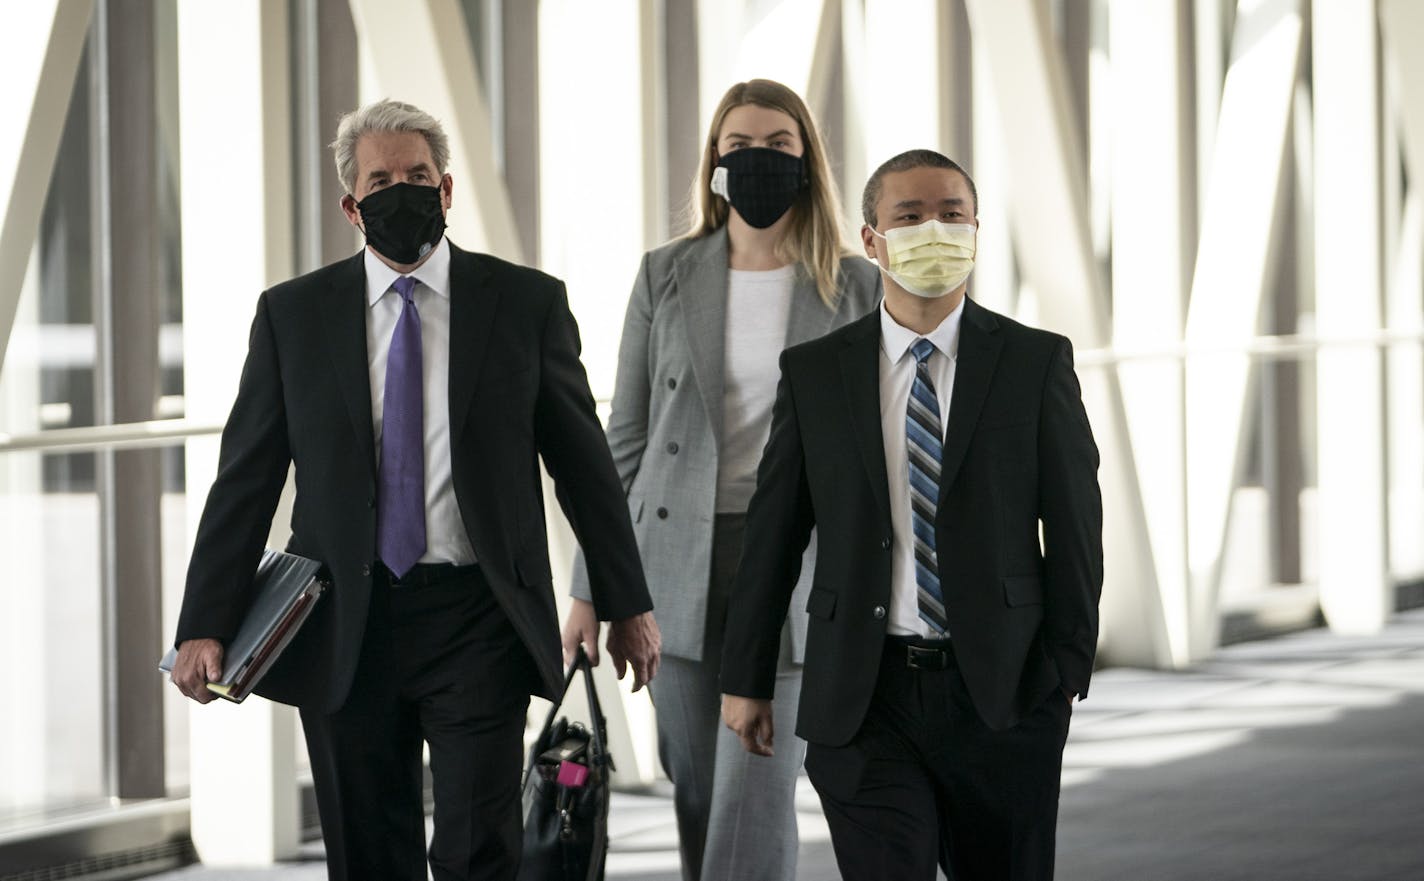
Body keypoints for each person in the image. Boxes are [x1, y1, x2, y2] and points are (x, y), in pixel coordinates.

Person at [168, 99, 661, 881]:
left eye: (419, 176)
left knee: (477, 851)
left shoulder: (524, 303)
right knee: (368, 855)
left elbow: (585, 464)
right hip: (344, 623)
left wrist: (627, 601)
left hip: (479, 618)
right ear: (350, 204)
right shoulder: (293, 315)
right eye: (382, 179)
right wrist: (204, 622)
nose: (403, 191)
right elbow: (246, 479)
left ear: (448, 189)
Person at [720, 149, 1103, 881]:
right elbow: (773, 534)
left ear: (976, 230)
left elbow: (1078, 521)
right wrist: (747, 677)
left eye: (951, 215)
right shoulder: (816, 372)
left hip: (1004, 690)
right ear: (871, 240)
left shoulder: (1034, 362)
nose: (934, 229)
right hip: (865, 696)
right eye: (911, 216)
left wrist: (1065, 668)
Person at [560, 79, 880, 881]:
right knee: (698, 790)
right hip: (675, 564)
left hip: (798, 565)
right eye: (740, 145)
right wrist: (588, 587)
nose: (758, 159)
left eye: (779, 144)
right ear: (714, 164)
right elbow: (624, 440)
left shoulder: (857, 286)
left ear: (808, 161)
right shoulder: (666, 275)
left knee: (756, 787)